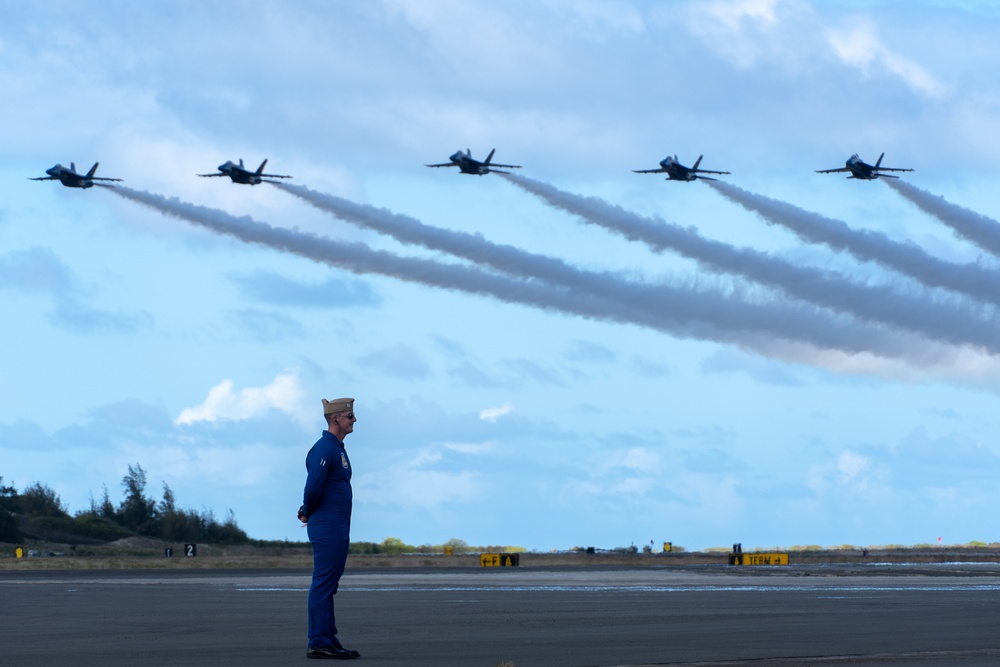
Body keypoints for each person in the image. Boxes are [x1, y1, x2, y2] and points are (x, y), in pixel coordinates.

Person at [299, 397, 361, 660]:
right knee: (323, 583)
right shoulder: (324, 448)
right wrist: (307, 510)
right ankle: (318, 641)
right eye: (350, 415)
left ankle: (329, 639)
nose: (354, 419)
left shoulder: (338, 448)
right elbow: (313, 486)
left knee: (330, 584)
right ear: (335, 418)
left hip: (338, 526)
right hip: (326, 526)